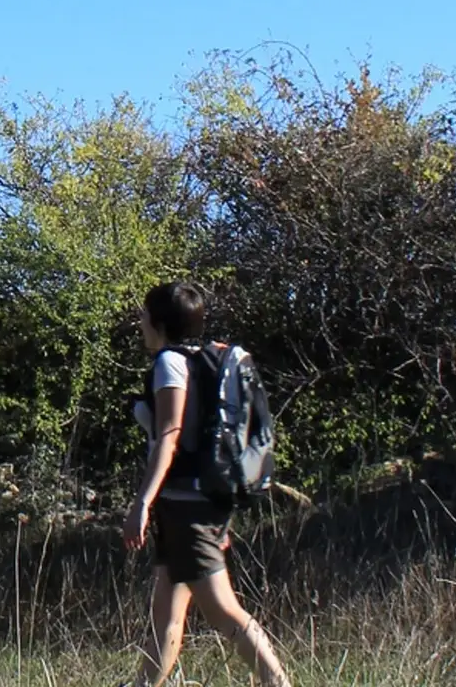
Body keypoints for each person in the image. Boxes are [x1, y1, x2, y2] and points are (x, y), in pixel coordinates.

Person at [121, 281, 292, 687]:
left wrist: (142, 502)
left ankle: (277, 683)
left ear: (160, 323)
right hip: (200, 502)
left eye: (144, 315)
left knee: (221, 609)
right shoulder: (202, 360)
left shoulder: (169, 364)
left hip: (185, 506)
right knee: (167, 613)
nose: (139, 322)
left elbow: (170, 435)